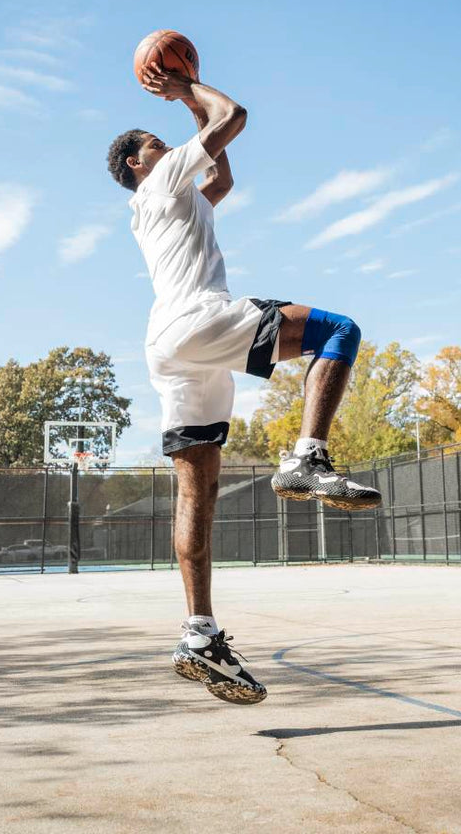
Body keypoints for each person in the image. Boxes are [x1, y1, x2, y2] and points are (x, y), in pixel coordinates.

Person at [105, 62, 381, 705]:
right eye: (154, 143)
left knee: (197, 490)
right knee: (338, 330)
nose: (166, 147)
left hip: (170, 350)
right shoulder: (161, 181)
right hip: (198, 319)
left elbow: (221, 172)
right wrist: (185, 88)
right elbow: (236, 118)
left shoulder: (169, 199)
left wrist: (190, 114)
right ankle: (306, 459)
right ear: (137, 164)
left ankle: (199, 633)